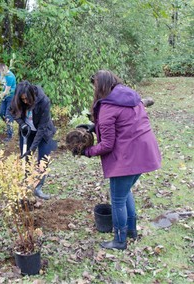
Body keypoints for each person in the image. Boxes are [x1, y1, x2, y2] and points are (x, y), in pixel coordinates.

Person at [75, 70, 161, 250]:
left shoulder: (107, 107)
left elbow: (106, 145)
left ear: (100, 87)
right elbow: (123, 120)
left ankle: (119, 240)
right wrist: (93, 127)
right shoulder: (129, 96)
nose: (94, 90)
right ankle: (131, 231)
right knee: (125, 191)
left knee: (118, 199)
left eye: (95, 87)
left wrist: (87, 152)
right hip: (144, 152)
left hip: (128, 157)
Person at [10, 81, 57, 200]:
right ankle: (26, 185)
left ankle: (38, 188)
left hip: (44, 133)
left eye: (26, 99)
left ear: (32, 95)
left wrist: (32, 149)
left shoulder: (44, 101)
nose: (25, 102)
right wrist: (22, 124)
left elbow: (42, 128)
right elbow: (12, 111)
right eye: (22, 100)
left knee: (43, 160)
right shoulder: (19, 98)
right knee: (25, 158)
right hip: (27, 132)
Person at [0, 63, 16, 142]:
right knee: (1, 113)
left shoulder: (10, 77)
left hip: (11, 97)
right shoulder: (0, 74)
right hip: (4, 98)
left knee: (8, 115)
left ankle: (10, 135)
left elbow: (6, 92)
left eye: (0, 72)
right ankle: (9, 126)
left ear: (3, 70)